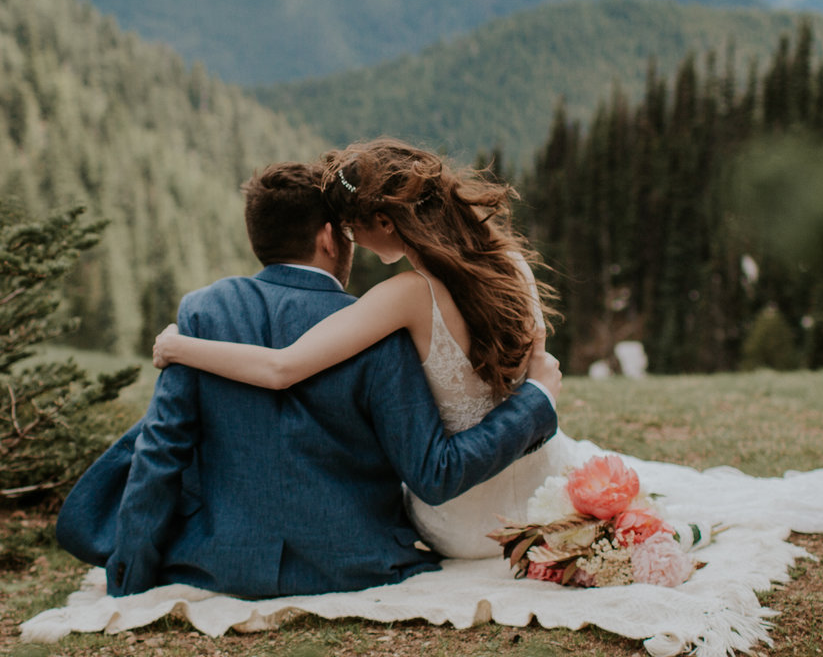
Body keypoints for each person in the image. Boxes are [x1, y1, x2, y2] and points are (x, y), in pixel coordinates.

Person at [55, 158, 561, 599]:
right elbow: (425, 460)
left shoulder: (203, 312)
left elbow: (161, 449)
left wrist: (130, 572)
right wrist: (536, 399)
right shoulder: (378, 323)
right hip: (357, 563)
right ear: (327, 237)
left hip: (225, 562)